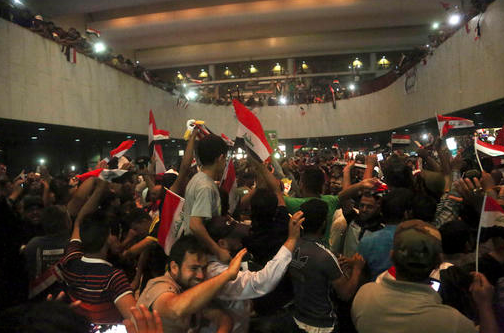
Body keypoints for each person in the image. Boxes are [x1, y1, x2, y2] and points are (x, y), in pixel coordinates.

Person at [352, 219, 499, 333]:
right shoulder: (452, 322)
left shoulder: (364, 296)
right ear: (438, 263)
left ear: (392, 256)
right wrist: (484, 305)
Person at [204, 208, 302, 332]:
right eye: (236, 237)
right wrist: (291, 240)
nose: (241, 241)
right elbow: (263, 281)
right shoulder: (216, 273)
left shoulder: (221, 261)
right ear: (222, 243)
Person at [55, 179, 136, 324]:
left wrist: (99, 190)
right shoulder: (114, 278)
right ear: (108, 239)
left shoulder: (70, 259)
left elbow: (78, 222)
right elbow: (136, 320)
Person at [137, 235, 245, 332]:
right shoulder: (159, 285)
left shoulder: (188, 288)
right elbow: (174, 309)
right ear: (174, 267)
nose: (201, 275)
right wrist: (227, 275)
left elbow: (223, 319)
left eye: (203, 268)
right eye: (194, 268)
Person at [289, 199, 365, 333]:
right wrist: (357, 269)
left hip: (298, 319)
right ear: (324, 223)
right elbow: (346, 294)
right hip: (322, 325)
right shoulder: (324, 256)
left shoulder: (291, 246)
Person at [183, 134, 230, 262]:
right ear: (220, 158)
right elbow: (195, 225)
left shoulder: (197, 179)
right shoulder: (206, 187)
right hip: (198, 253)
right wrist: (218, 251)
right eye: (225, 158)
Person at [357, 188, 413, 280]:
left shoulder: (367, 241)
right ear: (407, 213)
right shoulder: (415, 241)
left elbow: (360, 276)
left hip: (373, 291)